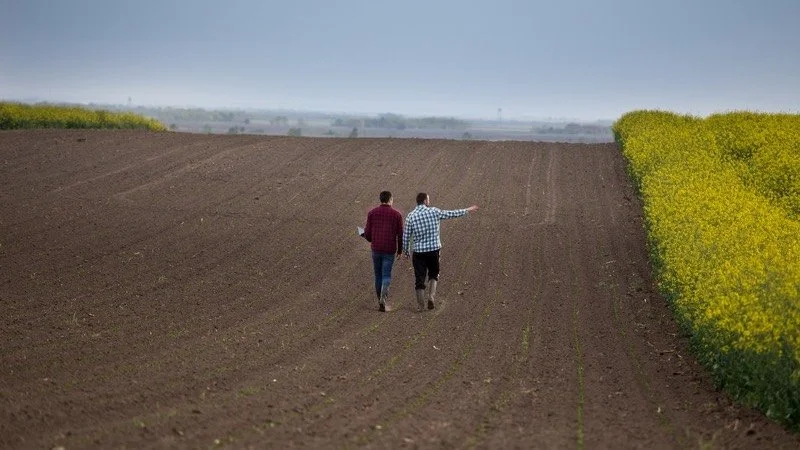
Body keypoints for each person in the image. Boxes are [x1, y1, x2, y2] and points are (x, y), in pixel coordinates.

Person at [403, 193, 479, 311]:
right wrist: (467, 210)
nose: (429, 201)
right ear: (425, 201)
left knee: (419, 278)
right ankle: (431, 297)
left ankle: (420, 306)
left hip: (418, 253)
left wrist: (406, 251)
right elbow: (451, 214)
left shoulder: (410, 216)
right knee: (434, 274)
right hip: (434, 250)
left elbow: (406, 236)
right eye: (428, 199)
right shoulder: (434, 211)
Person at [363, 191, 404, 312]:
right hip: (389, 250)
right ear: (391, 200)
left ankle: (379, 300)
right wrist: (400, 250)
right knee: (386, 274)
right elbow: (400, 235)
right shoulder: (397, 215)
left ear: (380, 200)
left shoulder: (372, 213)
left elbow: (368, 234)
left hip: (376, 249)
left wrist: (369, 238)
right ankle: (383, 299)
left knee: (378, 275)